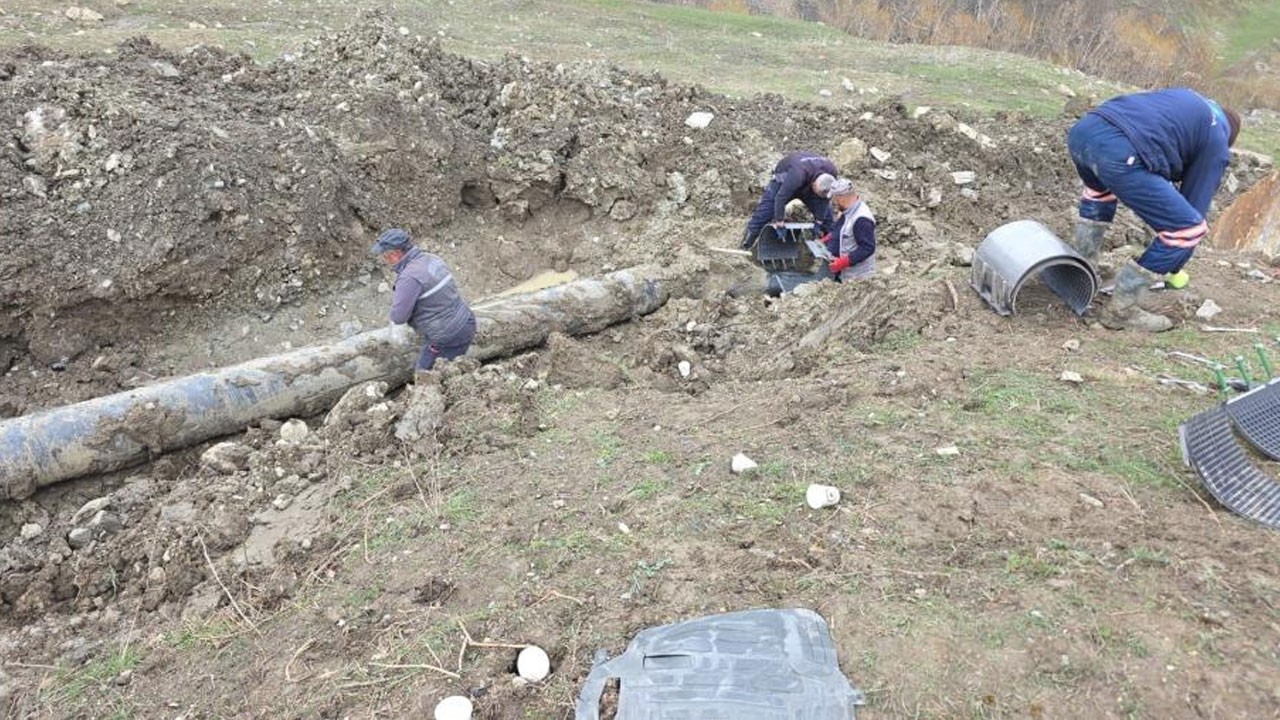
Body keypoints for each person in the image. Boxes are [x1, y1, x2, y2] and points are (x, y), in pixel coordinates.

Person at [1067, 87, 1240, 332]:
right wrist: (1174, 266)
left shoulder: (1189, 101)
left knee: (1100, 193)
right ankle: (1121, 311)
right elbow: (1193, 214)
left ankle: (1079, 270)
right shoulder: (1217, 139)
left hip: (1085, 131)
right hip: (1120, 151)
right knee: (1187, 230)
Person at [371, 228, 476, 375]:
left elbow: (399, 316)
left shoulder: (409, 277)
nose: (385, 261)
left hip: (447, 336)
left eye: (385, 256)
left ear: (395, 254)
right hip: (466, 320)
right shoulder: (431, 258)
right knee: (450, 371)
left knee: (425, 379)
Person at [741, 151, 838, 249]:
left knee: (828, 218)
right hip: (783, 182)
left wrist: (819, 221)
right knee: (764, 213)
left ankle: (830, 251)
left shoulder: (831, 172)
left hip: (807, 185)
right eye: (818, 193)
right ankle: (745, 246)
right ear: (814, 185)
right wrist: (779, 221)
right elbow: (780, 197)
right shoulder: (797, 175)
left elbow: (825, 199)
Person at [825, 178, 876, 280]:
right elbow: (840, 229)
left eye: (834, 199)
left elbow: (867, 248)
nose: (834, 203)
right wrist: (828, 238)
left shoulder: (861, 219)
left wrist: (844, 262)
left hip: (857, 277)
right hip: (844, 273)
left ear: (841, 199)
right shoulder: (849, 210)